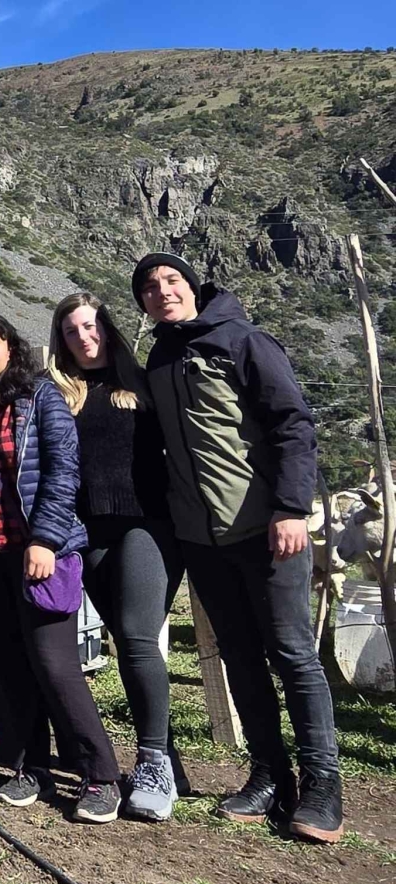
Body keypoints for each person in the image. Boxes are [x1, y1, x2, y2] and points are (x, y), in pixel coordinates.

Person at [135, 252, 343, 842]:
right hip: (202, 538)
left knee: (293, 653)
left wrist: (292, 508)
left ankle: (323, 784)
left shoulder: (244, 341)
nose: (162, 291)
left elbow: (293, 424)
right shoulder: (161, 355)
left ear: (193, 287)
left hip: (267, 528)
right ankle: (269, 776)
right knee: (240, 657)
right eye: (149, 287)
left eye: (171, 280)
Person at [0, 312, 123, 824]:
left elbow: (64, 470)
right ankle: (28, 764)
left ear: (11, 348)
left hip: (39, 556)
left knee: (54, 665)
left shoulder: (40, 397)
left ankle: (100, 773)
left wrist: (45, 539)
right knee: (3, 666)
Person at [47, 292, 186, 821]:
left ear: (109, 328)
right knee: (123, 641)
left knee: (135, 635)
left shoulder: (144, 384)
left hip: (148, 525)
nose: (85, 337)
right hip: (90, 530)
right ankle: (164, 751)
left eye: (92, 326)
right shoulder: (59, 393)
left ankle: (152, 763)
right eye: (72, 331)